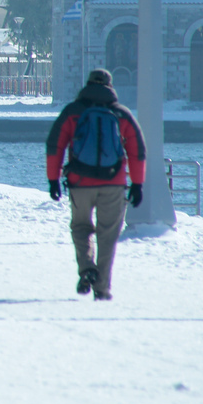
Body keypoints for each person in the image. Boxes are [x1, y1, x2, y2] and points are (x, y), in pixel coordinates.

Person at [45, 68, 146, 301]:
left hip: (80, 182)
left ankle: (87, 267)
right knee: (108, 235)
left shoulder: (73, 111)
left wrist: (53, 179)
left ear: (87, 83)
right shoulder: (121, 114)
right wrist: (137, 184)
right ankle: (102, 288)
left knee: (81, 227)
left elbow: (55, 146)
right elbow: (137, 151)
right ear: (111, 87)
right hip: (114, 183)